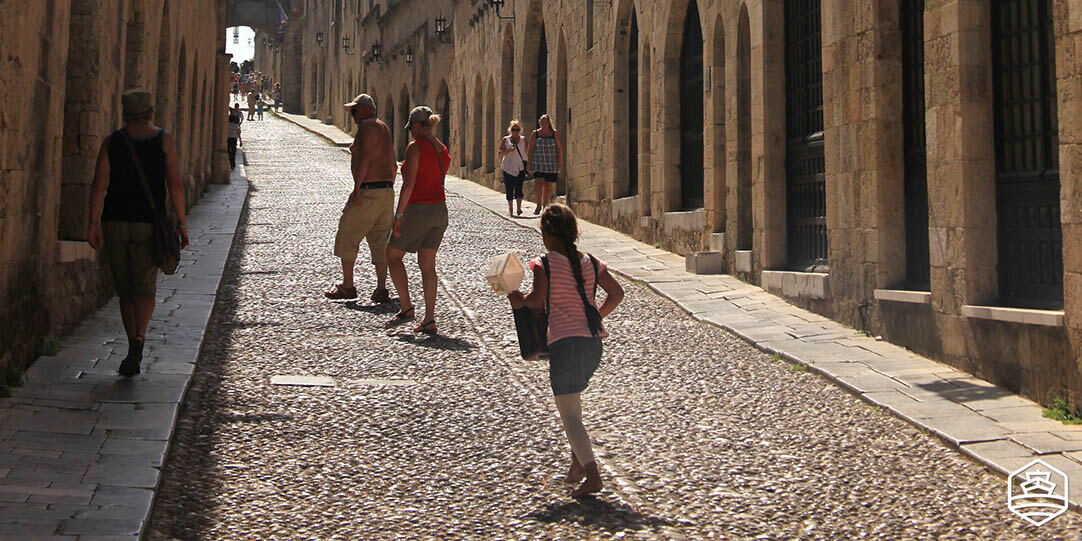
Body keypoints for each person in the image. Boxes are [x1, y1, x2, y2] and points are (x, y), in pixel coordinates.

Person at [508, 204, 623, 498]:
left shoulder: (544, 264)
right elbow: (617, 293)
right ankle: (576, 466)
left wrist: (516, 298)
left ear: (546, 235)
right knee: (574, 406)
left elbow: (536, 302)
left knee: (570, 416)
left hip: (565, 344)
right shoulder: (591, 261)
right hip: (592, 344)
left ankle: (593, 475)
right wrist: (596, 316)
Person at [86, 88, 190, 378]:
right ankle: (140, 339)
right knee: (145, 287)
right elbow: (176, 185)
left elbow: (98, 185)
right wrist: (181, 224)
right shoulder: (164, 141)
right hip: (149, 224)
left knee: (125, 289)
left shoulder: (112, 142)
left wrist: (92, 224)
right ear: (150, 112)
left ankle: (132, 342)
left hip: (115, 222)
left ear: (125, 113)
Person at [325, 94, 397, 304]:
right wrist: (389, 187)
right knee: (380, 239)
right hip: (386, 191)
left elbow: (365, 157)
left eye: (355, 111)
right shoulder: (384, 127)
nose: (352, 115)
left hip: (369, 190)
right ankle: (381, 288)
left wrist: (357, 189)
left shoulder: (366, 126)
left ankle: (348, 286)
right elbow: (393, 164)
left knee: (347, 234)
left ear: (366, 109)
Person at [385, 106, 451, 334]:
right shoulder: (442, 150)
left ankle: (406, 307)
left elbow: (409, 184)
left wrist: (398, 215)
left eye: (411, 128)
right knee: (428, 265)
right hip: (439, 211)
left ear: (415, 126)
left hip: (418, 210)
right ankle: (429, 318)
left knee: (392, 256)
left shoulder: (415, 148)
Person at [526, 114, 564, 215]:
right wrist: (529, 163)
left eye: (545, 122)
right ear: (540, 123)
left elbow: (559, 148)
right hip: (538, 162)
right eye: (542, 122)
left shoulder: (554, 133)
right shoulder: (535, 134)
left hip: (551, 163)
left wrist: (560, 162)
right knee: (538, 183)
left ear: (548, 123)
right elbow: (530, 148)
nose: (544, 124)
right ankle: (538, 205)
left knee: (548, 185)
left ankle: (545, 206)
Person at [498, 120, 528, 216]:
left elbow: (527, 152)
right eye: (513, 129)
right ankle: (511, 210)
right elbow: (500, 152)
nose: (515, 131)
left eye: (517, 129)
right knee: (509, 188)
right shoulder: (505, 140)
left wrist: (529, 164)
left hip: (520, 167)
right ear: (510, 130)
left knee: (519, 187)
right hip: (508, 167)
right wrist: (508, 151)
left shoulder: (524, 140)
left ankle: (519, 208)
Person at [227, 104, 242, 169]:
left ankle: (230, 162)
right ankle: (232, 163)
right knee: (233, 151)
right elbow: (238, 132)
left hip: (228, 138)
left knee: (228, 150)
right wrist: (240, 141)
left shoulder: (227, 125)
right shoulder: (236, 125)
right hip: (233, 138)